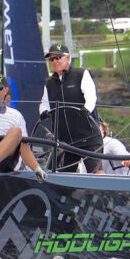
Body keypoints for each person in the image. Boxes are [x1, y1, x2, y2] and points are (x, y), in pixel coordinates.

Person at [38, 42, 102, 173]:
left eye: (58, 57)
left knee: (96, 172)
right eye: (52, 59)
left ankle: (104, 191)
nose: (54, 61)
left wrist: (87, 109)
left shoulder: (81, 74)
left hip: (88, 136)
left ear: (67, 58)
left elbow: (91, 96)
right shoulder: (49, 83)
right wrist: (43, 112)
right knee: (66, 175)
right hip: (66, 140)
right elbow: (44, 103)